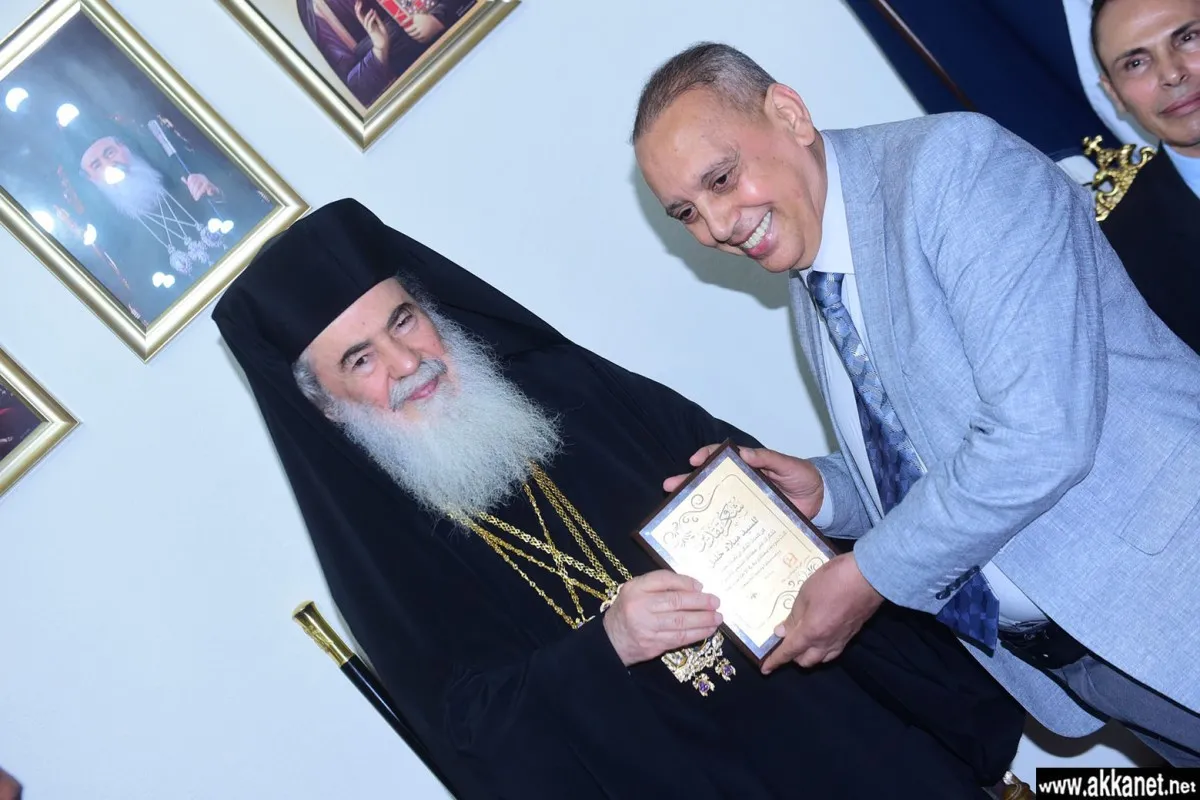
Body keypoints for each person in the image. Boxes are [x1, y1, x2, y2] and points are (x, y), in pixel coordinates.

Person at [212, 198, 1028, 798]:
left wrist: (771, 495)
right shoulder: (385, 557)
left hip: (848, 738)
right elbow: (473, 738)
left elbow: (760, 492)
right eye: (359, 360)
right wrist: (603, 648)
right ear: (325, 405)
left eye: (403, 321)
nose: (407, 363)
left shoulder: (572, 392)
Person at [631, 43, 1200, 766]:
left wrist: (868, 575)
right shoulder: (812, 274)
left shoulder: (953, 168)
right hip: (1097, 660)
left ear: (790, 114)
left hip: (1173, 593)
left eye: (721, 178)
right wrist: (830, 494)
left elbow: (1039, 433)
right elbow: (931, 450)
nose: (715, 225)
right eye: (686, 211)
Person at [57, 111, 273, 325]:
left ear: (124, 147)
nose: (109, 165)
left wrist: (216, 194)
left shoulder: (180, 174)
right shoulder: (121, 240)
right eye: (97, 165)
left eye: (110, 153)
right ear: (92, 179)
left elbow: (256, 210)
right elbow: (156, 305)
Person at [1088, 0, 1200, 353]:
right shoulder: (1118, 261)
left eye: (1188, 38)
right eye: (1135, 63)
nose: (1172, 74)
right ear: (1114, 94)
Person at [298, 0, 476, 108]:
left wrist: (439, 17)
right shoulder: (316, 10)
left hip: (468, 42)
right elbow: (357, 90)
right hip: (416, 91)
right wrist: (379, 49)